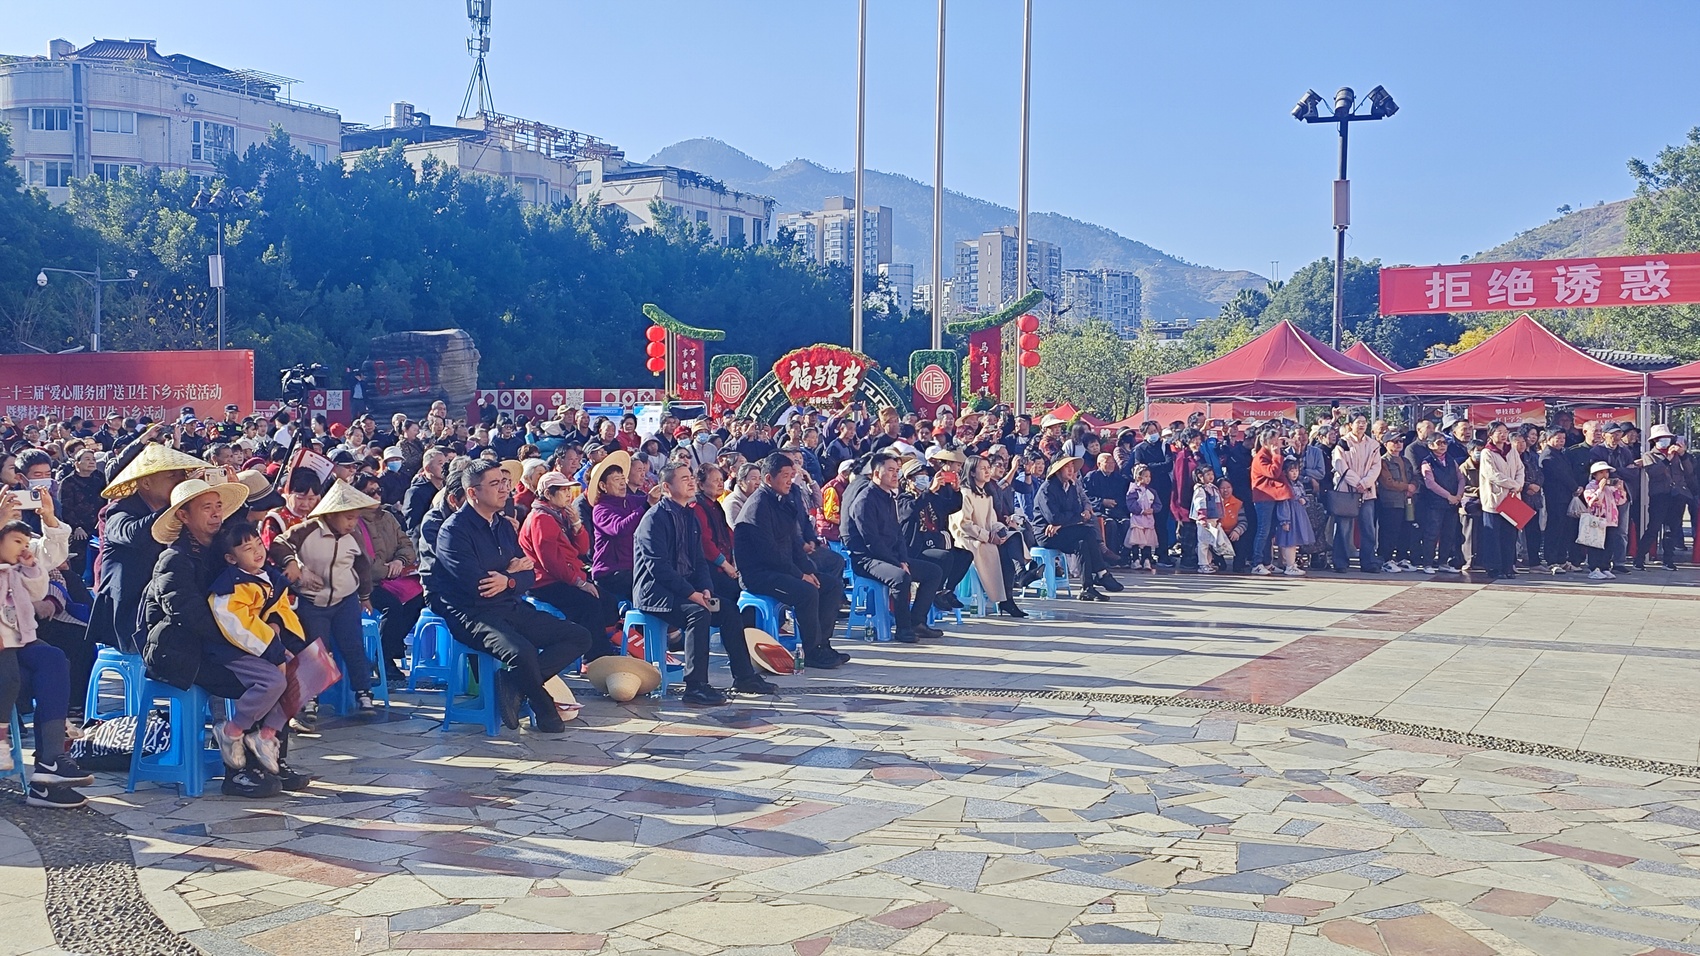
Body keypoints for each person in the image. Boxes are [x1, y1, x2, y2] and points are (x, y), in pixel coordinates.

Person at [142, 477, 301, 797]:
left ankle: (271, 759)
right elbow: (190, 616)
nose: (216, 514)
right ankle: (239, 771)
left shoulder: (225, 549)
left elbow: (263, 591)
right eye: (206, 508)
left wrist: (271, 625)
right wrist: (248, 642)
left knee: (292, 672)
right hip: (181, 650)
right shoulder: (174, 559)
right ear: (184, 516)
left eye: (218, 506)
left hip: (226, 643)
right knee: (258, 679)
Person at [435, 460, 591, 732]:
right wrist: (511, 573)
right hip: (473, 614)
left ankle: (515, 683)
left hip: (509, 604)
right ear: (473, 492)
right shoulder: (453, 531)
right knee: (522, 652)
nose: (504, 489)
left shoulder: (503, 526)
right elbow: (479, 585)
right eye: (495, 484)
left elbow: (529, 575)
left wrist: (508, 580)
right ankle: (543, 706)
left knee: (579, 636)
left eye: (504, 482)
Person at [634, 462, 771, 706]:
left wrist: (705, 588)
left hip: (686, 589)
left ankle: (744, 677)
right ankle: (695, 686)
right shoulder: (654, 520)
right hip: (657, 593)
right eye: (683, 478)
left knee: (728, 610)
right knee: (698, 614)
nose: (690, 482)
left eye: (690, 477)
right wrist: (692, 594)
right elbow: (659, 568)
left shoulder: (690, 515)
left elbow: (699, 560)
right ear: (666, 487)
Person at [0, 489, 93, 807]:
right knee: (25, 677)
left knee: (53, 659)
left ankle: (50, 765)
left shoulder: (15, 545)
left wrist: (49, 519)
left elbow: (45, 563)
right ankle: (46, 778)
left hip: (15, 641)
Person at [206, 522, 308, 786]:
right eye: (247, 548)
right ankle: (232, 730)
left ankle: (266, 736)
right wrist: (274, 651)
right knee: (273, 682)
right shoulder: (230, 586)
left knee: (304, 675)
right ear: (231, 558)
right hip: (235, 650)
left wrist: (277, 624)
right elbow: (237, 627)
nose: (257, 551)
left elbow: (282, 607)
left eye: (258, 544)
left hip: (265, 644)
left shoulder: (268, 576)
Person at [88, 439, 205, 654]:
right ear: (146, 483)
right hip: (130, 613)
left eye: (183, 475)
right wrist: (175, 506)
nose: (180, 481)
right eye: (172, 476)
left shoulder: (180, 512)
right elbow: (133, 535)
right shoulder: (119, 510)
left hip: (170, 602)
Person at [734, 454, 848, 666]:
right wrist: (800, 575)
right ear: (769, 479)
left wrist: (808, 571)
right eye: (785, 476)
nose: (790, 481)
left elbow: (794, 543)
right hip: (759, 574)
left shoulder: (783, 501)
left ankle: (823, 644)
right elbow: (769, 554)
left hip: (782, 569)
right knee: (807, 592)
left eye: (792, 475)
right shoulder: (757, 507)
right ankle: (811, 652)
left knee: (831, 585)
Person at [844, 453, 944, 643]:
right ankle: (903, 628)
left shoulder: (889, 498)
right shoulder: (864, 501)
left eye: (897, 470)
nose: (895, 475)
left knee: (934, 572)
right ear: (876, 473)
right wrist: (897, 563)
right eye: (890, 470)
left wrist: (903, 559)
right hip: (868, 559)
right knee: (901, 577)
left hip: (891, 557)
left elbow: (897, 534)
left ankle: (917, 622)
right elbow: (871, 541)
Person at [520, 472, 614, 660]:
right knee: (589, 604)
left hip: (565, 576)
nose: (568, 494)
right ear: (548, 494)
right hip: (545, 583)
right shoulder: (540, 518)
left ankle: (603, 644)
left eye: (568, 489)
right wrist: (579, 583)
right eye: (563, 490)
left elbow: (582, 549)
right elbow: (551, 562)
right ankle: (595, 657)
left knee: (608, 601)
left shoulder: (559, 514)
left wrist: (577, 524)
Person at [589, 450, 659, 633]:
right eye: (616, 479)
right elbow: (619, 529)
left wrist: (656, 496)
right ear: (603, 486)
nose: (622, 483)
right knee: (647, 587)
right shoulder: (601, 509)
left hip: (631, 567)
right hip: (611, 572)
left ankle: (660, 635)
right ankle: (649, 636)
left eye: (622, 478)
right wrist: (646, 505)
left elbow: (648, 501)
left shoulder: (629, 500)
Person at [1036, 456, 1122, 600]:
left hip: (1065, 530)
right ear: (1058, 470)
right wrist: (1070, 519)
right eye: (1067, 466)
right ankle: (1102, 573)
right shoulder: (1047, 489)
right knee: (1087, 531)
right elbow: (1054, 518)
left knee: (1083, 544)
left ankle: (1087, 588)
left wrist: (1065, 521)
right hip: (1047, 534)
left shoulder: (1071, 487)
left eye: (1072, 466)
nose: (1071, 470)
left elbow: (1078, 511)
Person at [950, 455, 1022, 618]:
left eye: (988, 468)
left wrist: (1000, 531)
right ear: (972, 472)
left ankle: (1018, 579)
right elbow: (964, 524)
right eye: (983, 468)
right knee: (997, 551)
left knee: (1013, 538)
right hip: (968, 539)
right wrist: (989, 537)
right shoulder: (965, 493)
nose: (987, 471)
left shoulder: (986, 494)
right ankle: (1006, 598)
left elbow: (992, 521)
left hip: (985, 535)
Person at [896, 457, 971, 607]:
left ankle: (947, 591)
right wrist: (930, 491)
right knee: (944, 557)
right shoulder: (903, 498)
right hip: (915, 549)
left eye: (926, 475)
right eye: (920, 475)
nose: (925, 478)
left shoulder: (931, 498)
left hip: (934, 542)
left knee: (965, 555)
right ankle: (936, 592)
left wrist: (956, 490)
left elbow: (952, 507)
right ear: (909, 479)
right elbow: (912, 510)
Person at [1330, 414, 1381, 574]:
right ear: (1350, 424)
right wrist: (1357, 482)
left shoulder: (1373, 444)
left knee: (1368, 528)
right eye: (1358, 422)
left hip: (1367, 492)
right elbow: (1340, 465)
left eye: (1364, 422)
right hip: (1347, 492)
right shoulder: (1343, 443)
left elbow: (1376, 467)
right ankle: (1340, 562)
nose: (1361, 425)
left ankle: (1368, 562)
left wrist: (1365, 483)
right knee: (1343, 528)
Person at [1479, 421, 1525, 581]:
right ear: (1491, 434)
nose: (1503, 435)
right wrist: (1514, 485)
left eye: (1505, 432)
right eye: (1499, 432)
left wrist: (1518, 484)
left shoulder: (1511, 450)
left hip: (1512, 499)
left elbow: (1520, 469)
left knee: (1509, 535)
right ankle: (1494, 568)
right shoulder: (1487, 452)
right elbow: (1493, 475)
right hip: (1494, 500)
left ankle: (1508, 567)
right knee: (1493, 536)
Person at [1637, 424, 1682, 571]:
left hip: (1675, 495)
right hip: (1659, 496)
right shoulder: (1649, 455)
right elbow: (1653, 472)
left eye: (1667, 438)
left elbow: (1687, 470)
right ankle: (1639, 558)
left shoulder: (1676, 454)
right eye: (1661, 438)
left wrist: (1682, 454)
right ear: (1655, 440)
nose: (1665, 440)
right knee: (1653, 528)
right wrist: (1667, 459)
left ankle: (1668, 560)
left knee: (1672, 529)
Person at [1540, 429, 1583, 574]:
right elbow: (1562, 475)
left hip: (1565, 497)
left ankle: (1561, 559)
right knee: (1554, 528)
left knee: (1564, 529)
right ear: (1549, 439)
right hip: (1555, 497)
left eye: (1563, 438)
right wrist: (1575, 487)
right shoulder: (1548, 456)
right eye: (1558, 438)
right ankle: (1551, 561)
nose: (1561, 441)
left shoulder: (1561, 453)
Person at [1248, 428, 1288, 575]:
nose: (1277, 443)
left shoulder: (1269, 455)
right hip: (1263, 497)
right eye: (1274, 440)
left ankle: (1267, 562)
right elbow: (1273, 472)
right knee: (1263, 530)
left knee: (1270, 531)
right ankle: (1256, 563)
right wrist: (1277, 455)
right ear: (1267, 442)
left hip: (1272, 496)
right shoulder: (1261, 457)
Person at [1376, 434, 1418, 572]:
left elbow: (1414, 476)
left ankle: (1402, 558)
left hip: (1406, 501)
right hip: (1391, 501)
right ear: (1386, 444)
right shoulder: (1383, 461)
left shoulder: (1405, 461)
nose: (1399, 444)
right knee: (1389, 531)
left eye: (1400, 441)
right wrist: (1406, 487)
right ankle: (1385, 559)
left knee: (1405, 530)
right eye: (1394, 441)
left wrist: (1413, 486)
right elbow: (1387, 482)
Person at [1583, 462, 1628, 579]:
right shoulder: (1590, 486)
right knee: (1596, 544)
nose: (1605, 475)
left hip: (1610, 520)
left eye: (1606, 472)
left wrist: (1620, 489)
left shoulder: (1610, 487)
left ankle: (1605, 567)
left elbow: (1620, 501)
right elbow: (1593, 502)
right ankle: (1594, 568)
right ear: (1595, 474)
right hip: (1597, 520)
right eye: (1601, 472)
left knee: (1609, 544)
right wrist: (1600, 489)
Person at [1272, 459, 1313, 575]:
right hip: (1290, 515)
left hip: (1299, 514)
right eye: (1291, 471)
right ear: (1285, 472)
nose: (1295, 473)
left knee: (1294, 542)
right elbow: (1283, 503)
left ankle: (1291, 563)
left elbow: (1305, 496)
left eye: (1296, 471)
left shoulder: (1299, 484)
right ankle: (1289, 565)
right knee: (1289, 541)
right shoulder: (1285, 486)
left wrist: (1304, 500)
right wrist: (1284, 520)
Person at [1124, 464, 1160, 572]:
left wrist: (1153, 510)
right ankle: (1135, 559)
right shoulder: (1133, 490)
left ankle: (1146, 559)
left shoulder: (1152, 492)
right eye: (1146, 476)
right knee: (1136, 541)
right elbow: (1131, 503)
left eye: (1149, 476)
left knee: (1148, 541)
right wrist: (1141, 511)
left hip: (1149, 520)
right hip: (1137, 520)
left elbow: (1158, 504)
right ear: (1139, 477)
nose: (1148, 479)